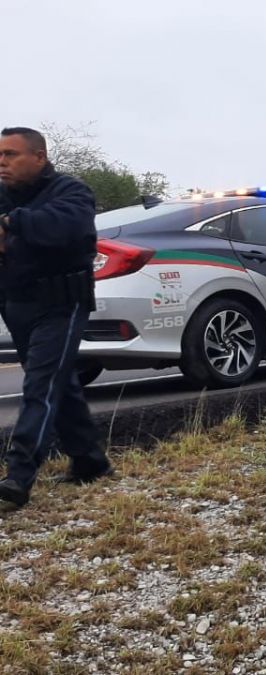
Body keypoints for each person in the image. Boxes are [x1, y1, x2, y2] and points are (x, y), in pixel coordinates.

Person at [0, 127, 111, 511]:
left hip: (63, 303)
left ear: (39, 157)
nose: (3, 162)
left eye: (11, 154)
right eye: (0, 154)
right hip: (17, 303)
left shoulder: (71, 191)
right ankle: (90, 461)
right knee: (58, 386)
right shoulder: (3, 194)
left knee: (41, 384)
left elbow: (67, 228)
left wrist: (12, 224)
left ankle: (18, 474)